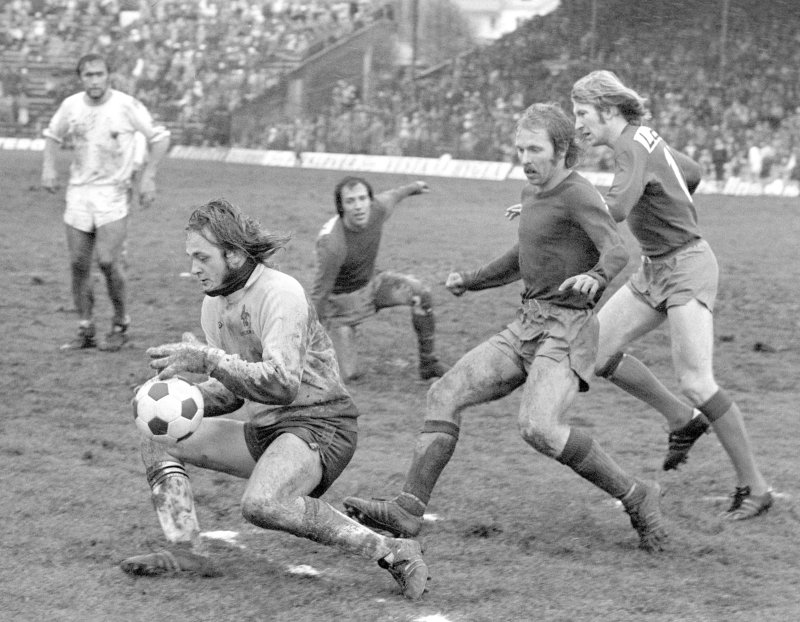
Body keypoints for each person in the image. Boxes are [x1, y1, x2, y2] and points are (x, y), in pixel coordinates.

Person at [343, 103, 667, 553]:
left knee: (539, 428)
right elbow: (523, 256)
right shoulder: (532, 194)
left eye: (534, 148)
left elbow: (616, 251)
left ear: (560, 149)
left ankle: (637, 495)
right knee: (443, 393)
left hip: (568, 330)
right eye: (520, 149)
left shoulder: (578, 194)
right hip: (528, 324)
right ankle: (407, 509)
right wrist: (472, 281)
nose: (525, 158)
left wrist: (595, 277)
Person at [119, 199, 428, 600]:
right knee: (155, 436)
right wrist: (173, 401)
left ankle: (393, 550)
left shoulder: (280, 293)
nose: (194, 268)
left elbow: (282, 384)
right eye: (190, 257)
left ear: (232, 254)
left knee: (262, 504)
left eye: (202, 257)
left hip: (321, 425)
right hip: (268, 429)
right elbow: (234, 392)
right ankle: (185, 551)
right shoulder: (213, 305)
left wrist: (209, 360)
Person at [570, 70, 772, 519]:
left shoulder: (627, 146)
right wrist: (663, 195)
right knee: (595, 352)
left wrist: (556, 207)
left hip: (686, 267)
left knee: (697, 381)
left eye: (582, 113)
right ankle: (682, 420)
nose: (578, 124)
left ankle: (757, 490)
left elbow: (616, 210)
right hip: (655, 268)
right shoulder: (643, 138)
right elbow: (693, 172)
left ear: (606, 110)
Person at [41, 53, 171, 352]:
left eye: (99, 74)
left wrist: (148, 177)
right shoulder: (71, 105)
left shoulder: (126, 105)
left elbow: (160, 138)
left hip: (113, 191)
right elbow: (51, 135)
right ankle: (85, 329)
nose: (94, 80)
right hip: (78, 192)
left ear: (109, 75)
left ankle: (120, 322)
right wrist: (48, 167)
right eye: (88, 75)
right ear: (81, 78)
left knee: (109, 261)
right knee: (77, 263)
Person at [310, 176, 448, 381]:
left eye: (362, 198)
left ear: (370, 200)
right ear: (341, 206)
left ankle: (428, 363)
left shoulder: (378, 208)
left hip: (373, 285)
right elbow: (320, 293)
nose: (358, 206)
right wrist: (309, 339)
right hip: (342, 305)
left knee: (421, 293)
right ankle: (337, 338)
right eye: (350, 201)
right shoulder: (332, 244)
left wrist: (414, 187)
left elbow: (394, 194)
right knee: (348, 375)